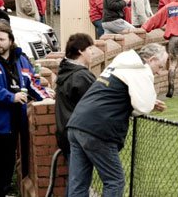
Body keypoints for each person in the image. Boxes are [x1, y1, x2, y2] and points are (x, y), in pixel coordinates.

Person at [66, 44, 168, 196]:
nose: (160, 72)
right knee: (114, 180)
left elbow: (116, 95)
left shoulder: (119, 64)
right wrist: (149, 104)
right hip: (98, 129)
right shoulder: (140, 69)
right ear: (151, 59)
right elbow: (143, 106)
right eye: (159, 66)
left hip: (77, 123)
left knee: (79, 182)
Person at [0, 22, 50, 197]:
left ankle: (3, 191)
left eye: (1, 39)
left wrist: (47, 99)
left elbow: (32, 83)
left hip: (14, 123)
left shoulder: (20, 59)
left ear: (11, 40)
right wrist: (11, 97)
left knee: (8, 167)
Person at [55, 33, 96, 158]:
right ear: (80, 51)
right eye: (89, 49)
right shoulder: (82, 77)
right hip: (79, 136)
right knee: (79, 176)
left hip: (65, 133)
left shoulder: (65, 71)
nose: (92, 53)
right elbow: (96, 104)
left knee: (75, 175)